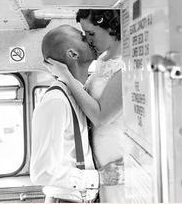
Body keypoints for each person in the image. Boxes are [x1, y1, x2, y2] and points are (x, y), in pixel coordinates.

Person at [31, 24, 122, 202]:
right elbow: (41, 171)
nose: (89, 40)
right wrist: (100, 178)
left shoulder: (79, 94)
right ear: (73, 54)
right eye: (83, 37)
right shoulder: (56, 101)